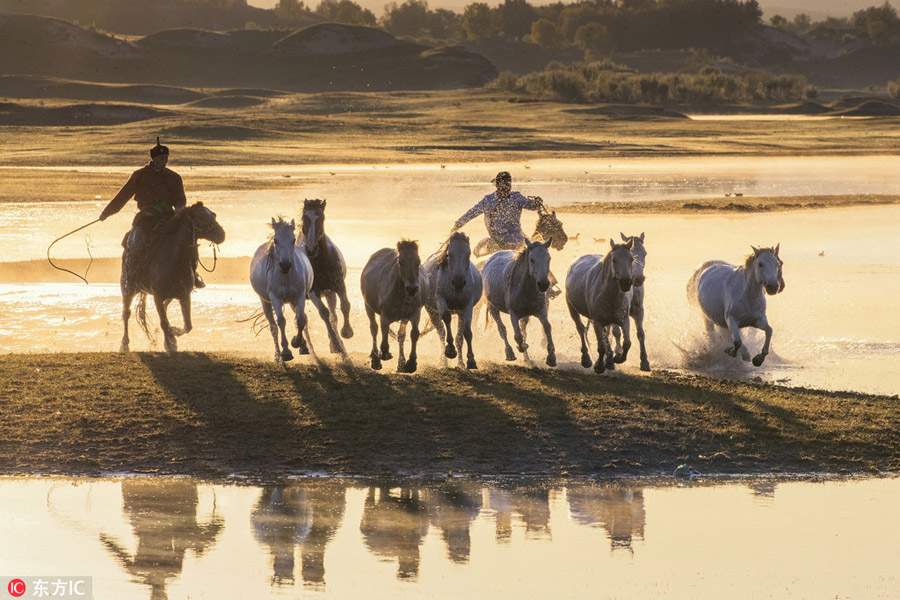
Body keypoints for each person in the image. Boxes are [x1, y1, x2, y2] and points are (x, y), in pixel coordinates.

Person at [99, 137, 205, 289]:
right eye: (161, 158)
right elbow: (122, 197)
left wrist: (179, 214)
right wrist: (106, 213)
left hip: (168, 219)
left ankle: (192, 274)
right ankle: (131, 278)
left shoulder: (174, 177)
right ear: (154, 158)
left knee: (188, 242)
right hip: (146, 218)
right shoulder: (139, 175)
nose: (164, 161)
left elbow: (180, 201)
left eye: (166, 158)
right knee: (134, 244)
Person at [452, 171, 546, 256]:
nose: (506, 188)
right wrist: (458, 224)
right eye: (503, 185)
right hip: (496, 240)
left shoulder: (517, 198)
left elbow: (531, 205)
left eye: (508, 185)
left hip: (517, 240)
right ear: (497, 185)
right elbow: (472, 212)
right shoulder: (489, 200)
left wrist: (537, 203)